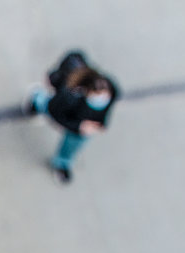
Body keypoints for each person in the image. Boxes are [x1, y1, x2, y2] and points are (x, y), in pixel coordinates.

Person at [24, 50, 118, 184]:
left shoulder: (111, 88)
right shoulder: (69, 98)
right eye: (98, 93)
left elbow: (107, 109)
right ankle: (36, 98)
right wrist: (79, 126)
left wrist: (102, 124)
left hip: (83, 126)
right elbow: (55, 113)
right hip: (71, 118)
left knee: (73, 144)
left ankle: (62, 164)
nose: (103, 96)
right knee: (45, 104)